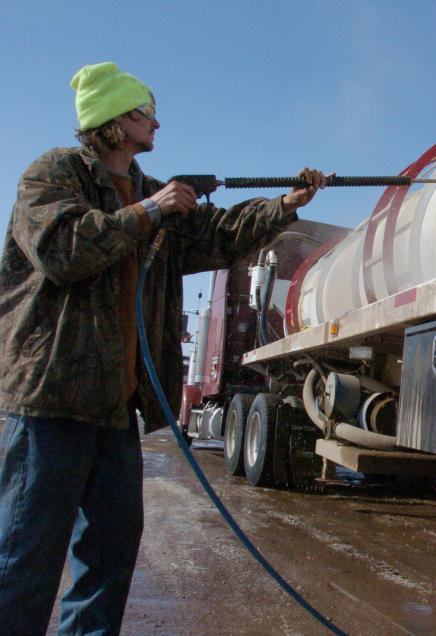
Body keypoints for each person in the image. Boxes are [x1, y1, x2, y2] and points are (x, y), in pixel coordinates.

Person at [0, 62, 328, 635]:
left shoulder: (155, 194)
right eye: (145, 111)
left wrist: (286, 203)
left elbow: (218, 234)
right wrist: (150, 211)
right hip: (49, 404)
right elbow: (61, 249)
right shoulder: (53, 174)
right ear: (113, 119)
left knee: (109, 555)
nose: (157, 122)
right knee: (25, 555)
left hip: (114, 408)